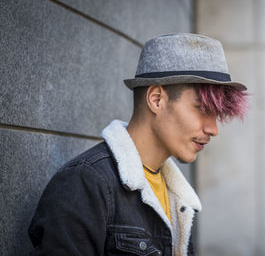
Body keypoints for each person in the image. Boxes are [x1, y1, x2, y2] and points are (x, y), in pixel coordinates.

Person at [28, 33, 248, 255]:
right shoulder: (86, 183)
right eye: (202, 108)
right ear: (156, 99)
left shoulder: (178, 197)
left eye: (217, 114)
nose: (213, 129)